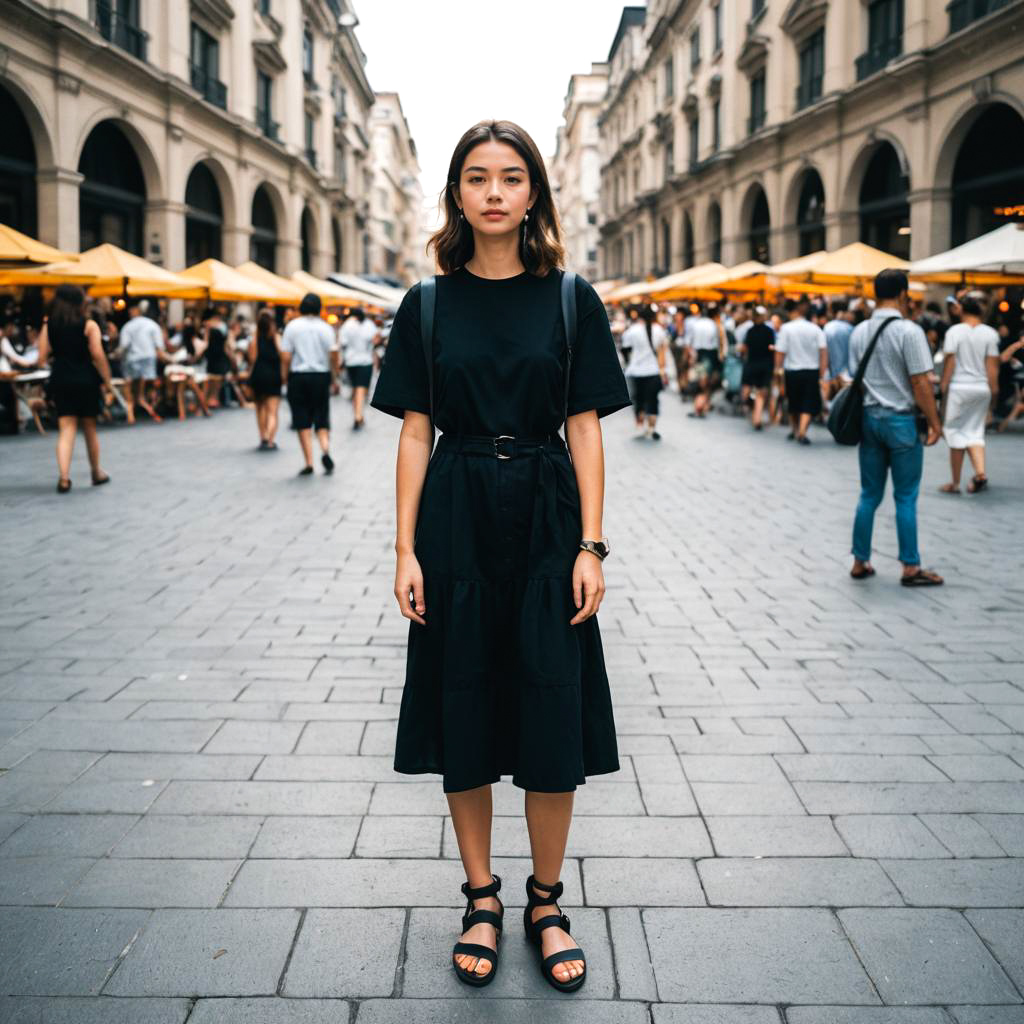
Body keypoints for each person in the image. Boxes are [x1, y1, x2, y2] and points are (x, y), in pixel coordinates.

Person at [369, 119, 630, 993]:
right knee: (465, 703)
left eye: (510, 177)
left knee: (552, 707)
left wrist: (592, 543)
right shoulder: (428, 302)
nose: (492, 192)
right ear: (455, 194)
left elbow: (587, 428)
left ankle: (546, 901)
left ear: (534, 194)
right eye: (476, 177)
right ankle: (480, 894)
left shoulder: (570, 298)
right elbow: (413, 430)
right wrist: (403, 547)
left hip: (550, 516)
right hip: (457, 511)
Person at [848, 268, 943, 587]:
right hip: (901, 421)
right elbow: (920, 381)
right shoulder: (909, 331)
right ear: (903, 294)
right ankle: (910, 566)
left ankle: (860, 560)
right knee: (905, 496)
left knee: (869, 494)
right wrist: (934, 422)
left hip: (870, 419)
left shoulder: (859, 331)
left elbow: (853, 378)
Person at [36, 284, 113, 493]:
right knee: (90, 428)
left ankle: (64, 478)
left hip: (60, 378)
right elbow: (97, 355)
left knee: (66, 429)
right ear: (79, 301)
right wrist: (107, 380)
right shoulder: (89, 325)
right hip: (86, 379)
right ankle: (96, 472)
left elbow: (41, 357)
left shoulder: (49, 325)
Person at [938, 291, 1000, 494]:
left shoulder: (954, 332)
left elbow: (950, 363)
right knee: (975, 432)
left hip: (959, 387)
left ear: (961, 309)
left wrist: (943, 388)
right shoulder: (990, 333)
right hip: (981, 388)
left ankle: (955, 483)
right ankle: (980, 472)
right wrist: (994, 394)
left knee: (955, 433)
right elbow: (992, 369)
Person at [281, 292, 339, 475]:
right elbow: (333, 354)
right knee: (321, 416)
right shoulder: (326, 328)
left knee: (302, 418)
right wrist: (335, 376)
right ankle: (325, 449)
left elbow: (285, 356)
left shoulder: (292, 327)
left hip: (298, 376)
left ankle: (309, 462)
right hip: (321, 376)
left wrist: (284, 377)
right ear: (319, 308)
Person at [774, 297, 827, 444]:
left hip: (792, 371)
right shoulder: (815, 329)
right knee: (808, 403)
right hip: (811, 371)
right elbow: (823, 352)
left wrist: (777, 369)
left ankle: (796, 430)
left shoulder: (786, 328)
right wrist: (822, 373)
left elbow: (780, 352)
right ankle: (802, 431)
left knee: (793, 402)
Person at [622, 305, 669, 440]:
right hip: (653, 371)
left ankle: (641, 426)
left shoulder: (632, 330)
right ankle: (651, 428)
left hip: (635, 371)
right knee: (653, 401)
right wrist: (663, 371)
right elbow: (662, 353)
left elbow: (625, 349)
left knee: (639, 400)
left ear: (640, 316)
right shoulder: (659, 330)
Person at [118, 300, 166, 424]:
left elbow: (124, 345)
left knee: (130, 384)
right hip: (148, 357)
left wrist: (116, 354)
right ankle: (151, 408)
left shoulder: (128, 326)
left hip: (133, 358)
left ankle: (131, 413)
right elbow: (159, 346)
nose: (129, 313)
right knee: (149, 383)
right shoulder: (152, 324)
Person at [248, 309, 284, 450]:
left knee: (260, 408)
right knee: (273, 410)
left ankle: (263, 437)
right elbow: (283, 354)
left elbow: (252, 359)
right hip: (274, 375)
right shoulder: (276, 337)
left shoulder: (255, 338)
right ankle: (270, 439)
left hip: (258, 375)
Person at [340, 307, 379, 430]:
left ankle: (358, 415)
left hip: (351, 361)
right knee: (360, 390)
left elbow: (342, 343)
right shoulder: (369, 324)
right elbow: (375, 340)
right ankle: (358, 416)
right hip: (365, 361)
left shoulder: (347, 325)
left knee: (355, 389)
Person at [739, 305, 775, 430]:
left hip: (752, 364)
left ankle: (750, 410)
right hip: (764, 365)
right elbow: (772, 348)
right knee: (761, 393)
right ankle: (757, 418)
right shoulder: (769, 331)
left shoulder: (750, 331)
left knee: (748, 389)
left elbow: (744, 348)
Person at [686, 302, 725, 418]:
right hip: (709, 355)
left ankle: (698, 406)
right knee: (706, 383)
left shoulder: (696, 324)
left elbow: (689, 343)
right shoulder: (714, 325)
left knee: (698, 382)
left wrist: (691, 356)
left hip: (697, 354)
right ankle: (702, 406)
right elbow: (718, 344)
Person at [823, 299, 854, 400]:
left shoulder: (827, 328)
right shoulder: (851, 328)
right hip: (847, 376)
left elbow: (824, 352)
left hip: (830, 376)